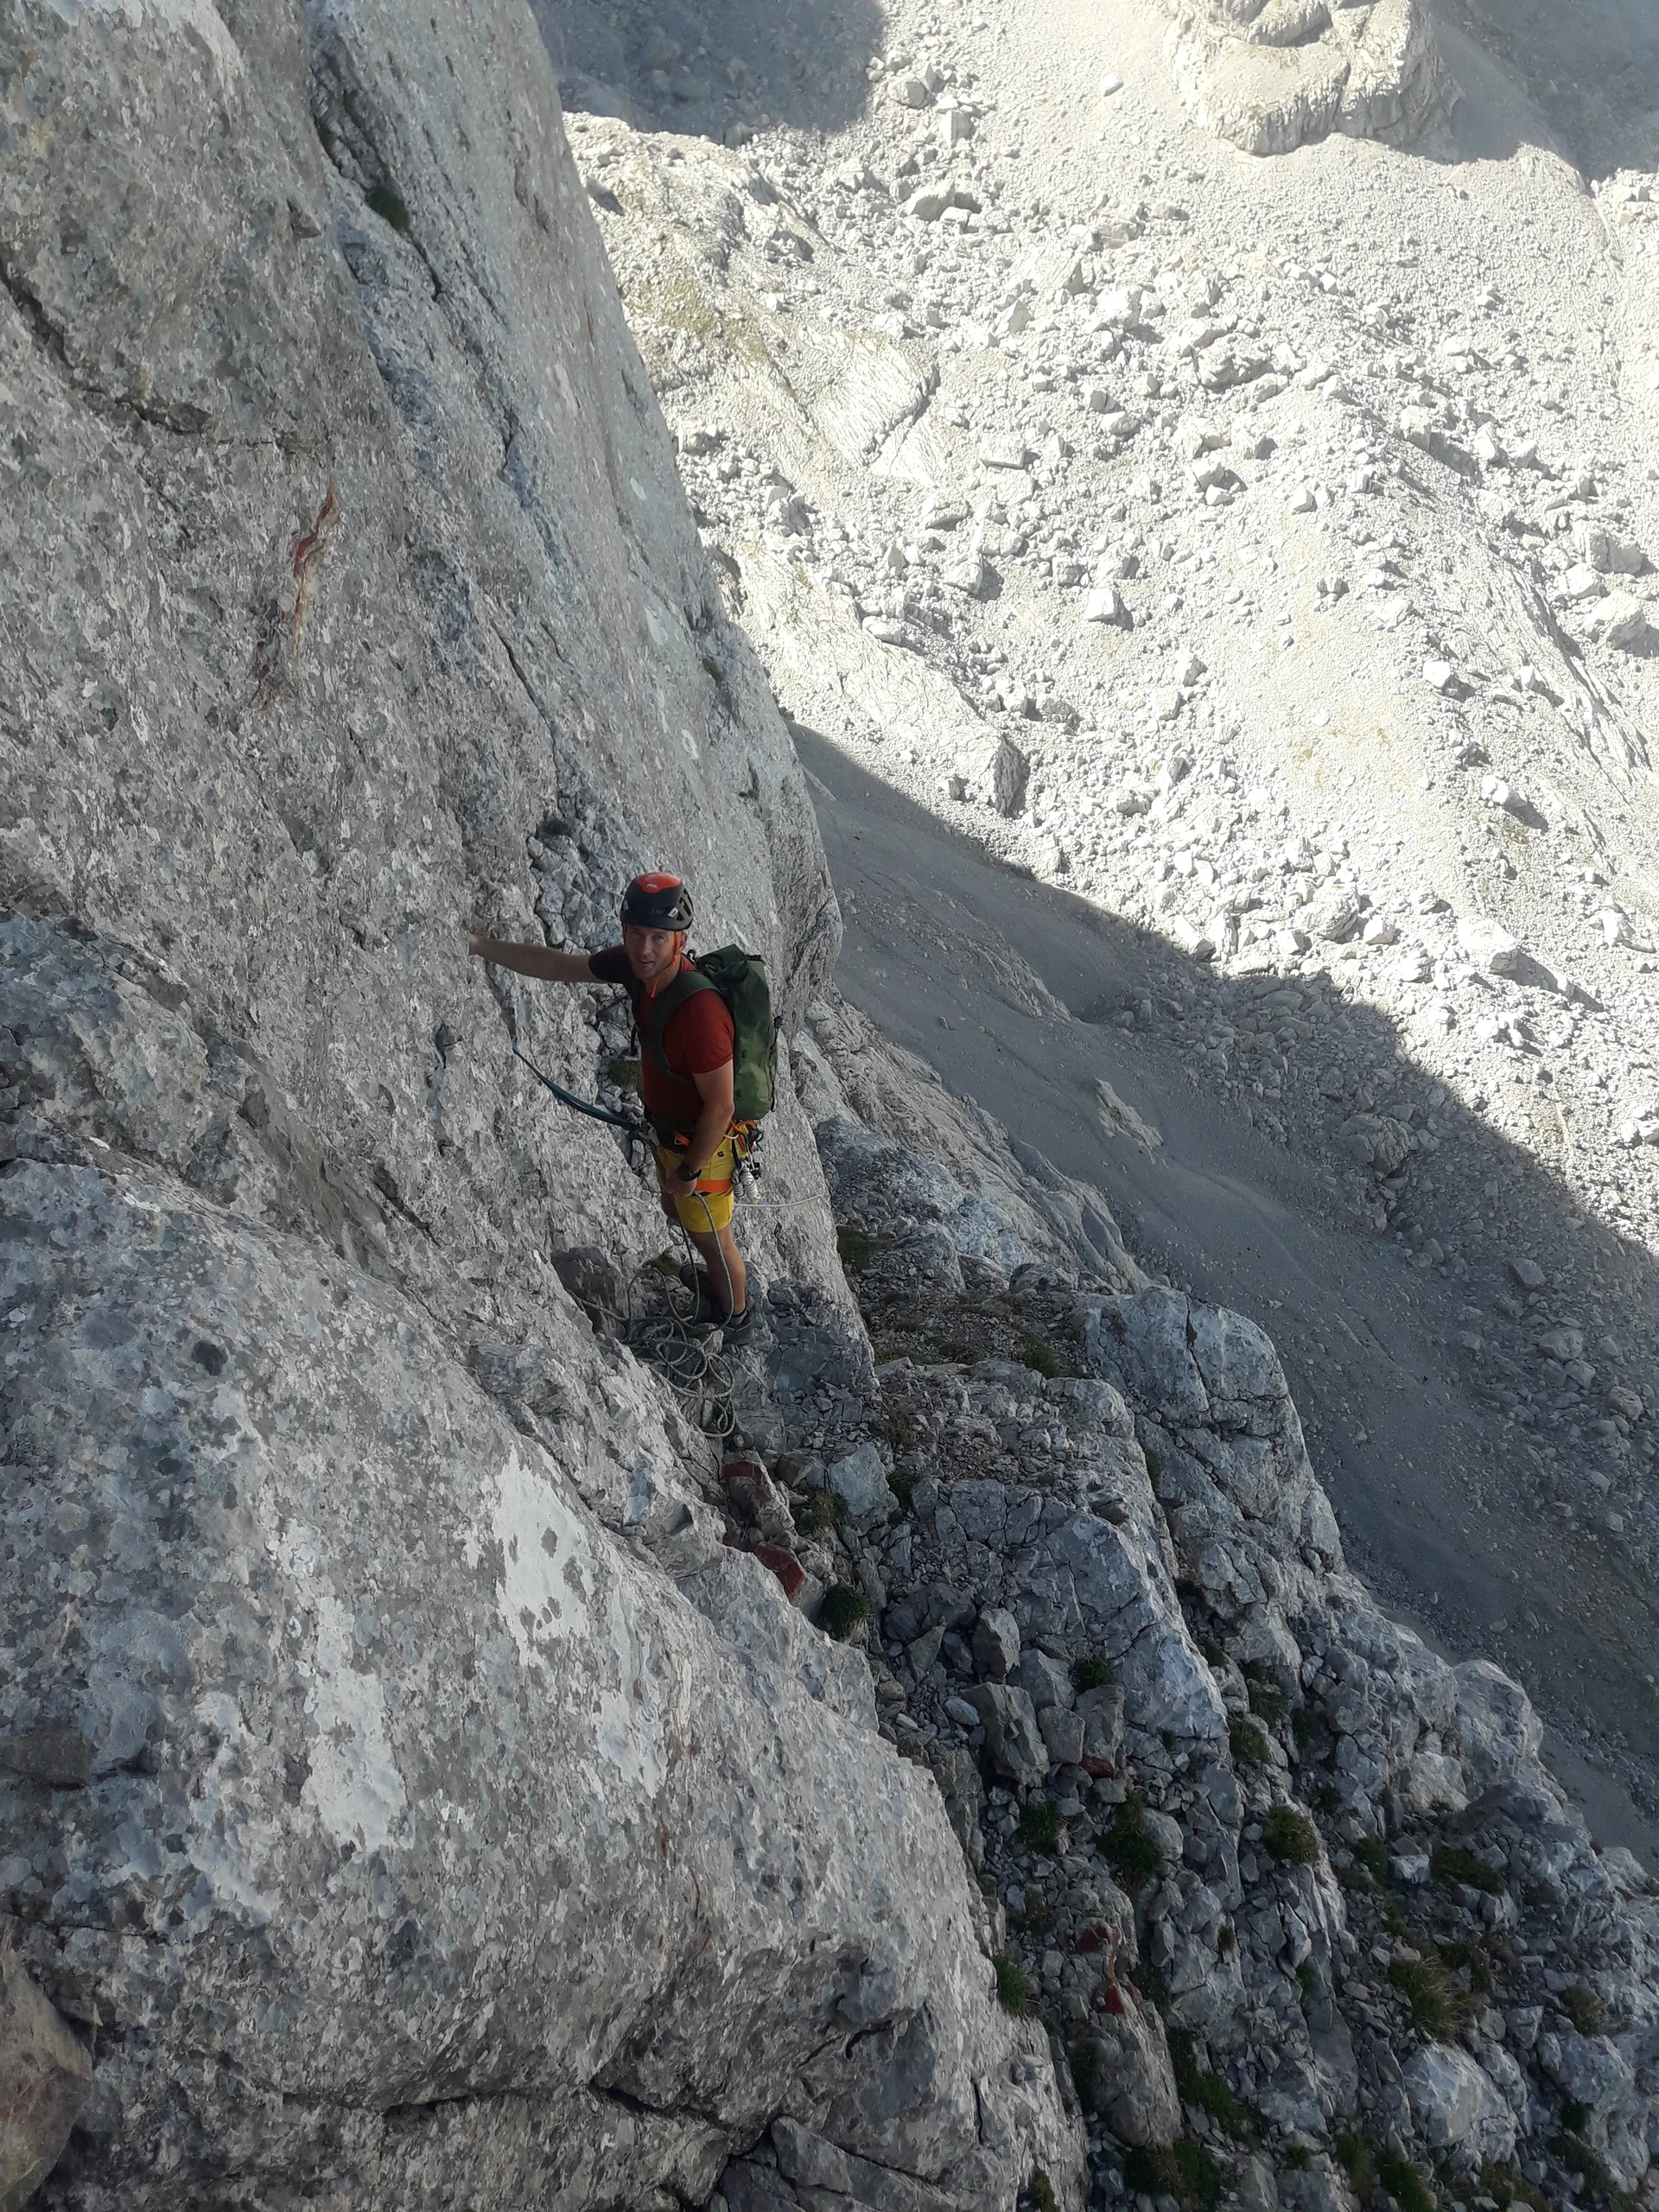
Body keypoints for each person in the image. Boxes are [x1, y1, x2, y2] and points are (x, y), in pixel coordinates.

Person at [467, 874, 750, 1331]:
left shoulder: (701, 1015)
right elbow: (560, 966)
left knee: (713, 1237)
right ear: (624, 930)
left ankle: (736, 1318)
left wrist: (688, 1171)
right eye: (636, 934)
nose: (644, 948)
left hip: (704, 1144)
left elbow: (721, 1109)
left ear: (680, 940)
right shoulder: (638, 970)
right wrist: (480, 945)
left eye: (659, 937)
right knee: (683, 1216)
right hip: (673, 1132)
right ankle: (720, 1287)